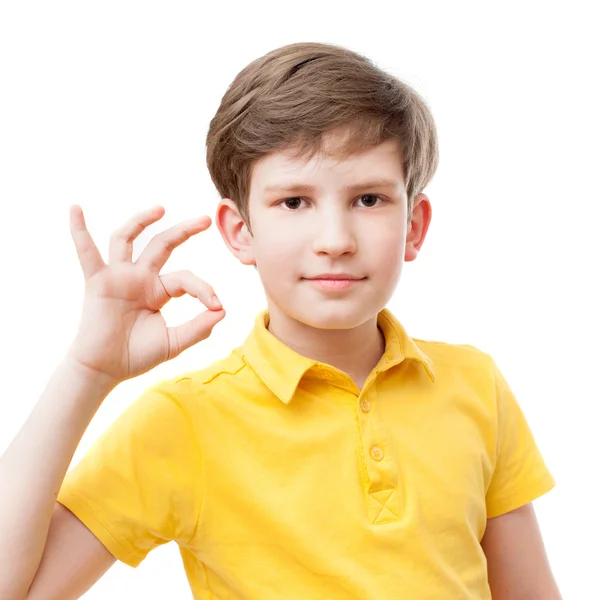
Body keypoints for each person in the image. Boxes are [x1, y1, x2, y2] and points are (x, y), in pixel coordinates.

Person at [0, 42, 562, 599]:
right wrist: (86, 371)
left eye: (368, 199)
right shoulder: (186, 422)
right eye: (294, 202)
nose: (336, 242)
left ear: (414, 225)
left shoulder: (475, 385)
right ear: (240, 231)